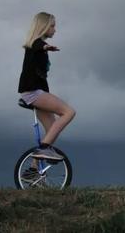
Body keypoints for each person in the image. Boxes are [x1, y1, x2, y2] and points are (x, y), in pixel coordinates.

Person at [18, 12, 76, 161]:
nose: (55, 29)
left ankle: (32, 172)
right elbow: (38, 45)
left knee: (52, 130)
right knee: (69, 112)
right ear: (44, 27)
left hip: (35, 91)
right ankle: (43, 149)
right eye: (52, 26)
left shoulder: (36, 45)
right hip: (32, 92)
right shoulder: (35, 44)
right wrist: (46, 47)